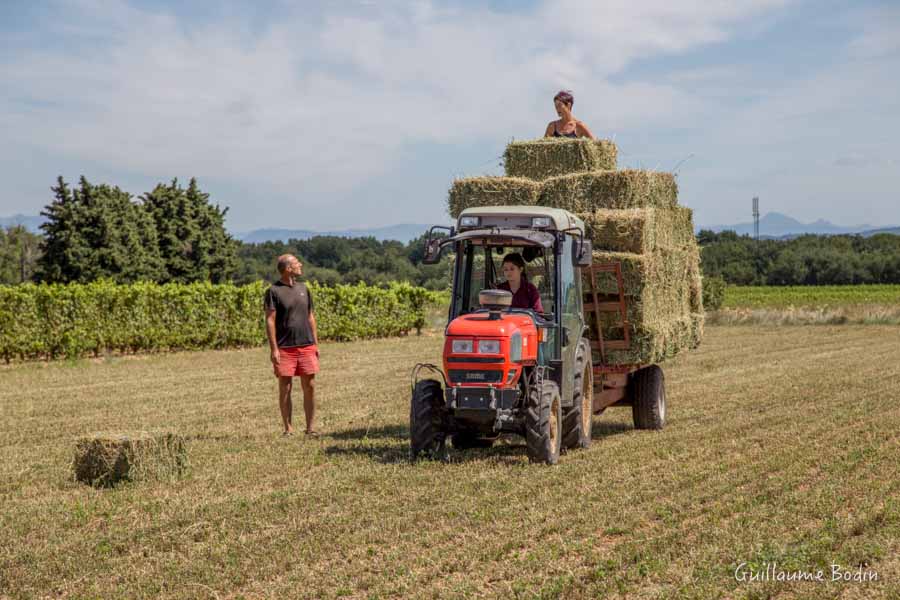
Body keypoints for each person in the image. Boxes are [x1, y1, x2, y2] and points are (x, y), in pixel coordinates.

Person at [264, 254, 320, 437]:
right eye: (296, 263)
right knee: (285, 387)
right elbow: (270, 321)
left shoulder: (304, 288)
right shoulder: (273, 291)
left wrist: (316, 343)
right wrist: (274, 349)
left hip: (307, 345)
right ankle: (288, 429)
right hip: (285, 347)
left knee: (309, 385)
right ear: (288, 268)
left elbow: (310, 316)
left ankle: (310, 428)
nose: (300, 265)